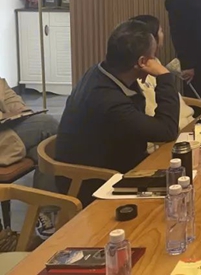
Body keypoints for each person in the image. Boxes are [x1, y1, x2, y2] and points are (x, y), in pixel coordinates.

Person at [55, 20, 179, 206]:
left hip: (110, 165)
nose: (155, 62)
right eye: (153, 57)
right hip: (93, 183)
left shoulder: (100, 72)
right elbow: (167, 131)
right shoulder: (109, 101)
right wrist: (164, 77)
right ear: (142, 62)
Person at [0, 77, 59, 238]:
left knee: (45, 146)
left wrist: (17, 113)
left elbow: (13, 100)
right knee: (48, 128)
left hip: (7, 130)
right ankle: (46, 209)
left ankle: (45, 210)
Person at [129, 15, 195, 128]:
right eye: (161, 31)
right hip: (174, 128)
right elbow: (151, 111)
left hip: (186, 122)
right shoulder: (141, 72)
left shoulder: (155, 62)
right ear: (152, 38)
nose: (163, 35)